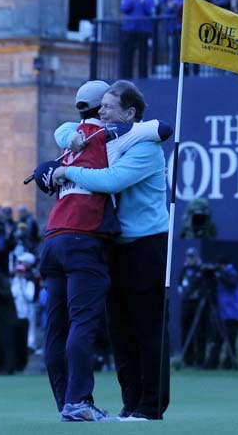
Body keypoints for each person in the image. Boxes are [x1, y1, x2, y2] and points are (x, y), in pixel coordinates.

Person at [51, 81, 171, 421]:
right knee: (120, 329)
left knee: (147, 328)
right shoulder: (114, 140)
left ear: (129, 113)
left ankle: (150, 405)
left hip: (148, 245)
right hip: (117, 245)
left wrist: (66, 171)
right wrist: (68, 138)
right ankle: (130, 402)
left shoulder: (146, 147)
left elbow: (111, 180)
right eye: (99, 105)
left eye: (108, 106)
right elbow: (66, 130)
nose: (100, 111)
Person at [206, 260, 238, 370]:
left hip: (232, 313)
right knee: (217, 338)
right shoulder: (221, 274)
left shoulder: (232, 273)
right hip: (222, 313)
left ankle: (230, 363)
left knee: (230, 340)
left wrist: (220, 274)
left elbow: (232, 283)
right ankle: (213, 362)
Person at [120, 0, 155, 79]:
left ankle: (142, 77)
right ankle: (127, 76)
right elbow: (123, 9)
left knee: (143, 55)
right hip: (129, 30)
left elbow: (151, 11)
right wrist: (131, 2)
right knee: (128, 54)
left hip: (143, 31)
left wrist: (143, 2)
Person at [177, 247, 205, 368]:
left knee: (199, 331)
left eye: (192, 256)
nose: (190, 259)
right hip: (186, 304)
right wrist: (183, 293)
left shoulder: (200, 269)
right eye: (189, 256)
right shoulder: (184, 269)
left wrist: (197, 293)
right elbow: (179, 284)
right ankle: (188, 360)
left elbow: (203, 285)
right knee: (186, 330)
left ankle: (199, 360)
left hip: (197, 304)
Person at [10, 264, 35, 372]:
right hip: (14, 315)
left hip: (25, 316)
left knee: (23, 341)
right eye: (18, 271)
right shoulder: (12, 283)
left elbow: (29, 296)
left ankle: (22, 364)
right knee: (14, 341)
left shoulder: (29, 284)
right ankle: (15, 364)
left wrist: (22, 286)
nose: (19, 274)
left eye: (21, 272)